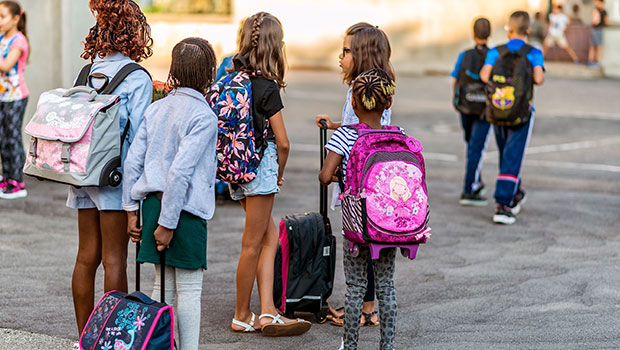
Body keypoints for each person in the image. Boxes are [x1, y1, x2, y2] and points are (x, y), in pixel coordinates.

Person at [122, 37, 218, 350]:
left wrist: (130, 210)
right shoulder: (204, 116)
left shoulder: (157, 108)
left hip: (149, 206)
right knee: (189, 289)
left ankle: (158, 345)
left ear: (175, 70)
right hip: (183, 213)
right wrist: (169, 222)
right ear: (208, 74)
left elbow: (133, 161)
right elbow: (180, 172)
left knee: (160, 285)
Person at [68, 0, 153, 345]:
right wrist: (137, 199)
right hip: (115, 180)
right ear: (134, 33)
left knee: (86, 257)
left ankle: (85, 339)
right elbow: (138, 144)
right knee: (115, 258)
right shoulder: (137, 78)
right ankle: (112, 340)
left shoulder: (88, 71)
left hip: (83, 174)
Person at [227, 11, 311, 336]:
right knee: (253, 243)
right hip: (260, 169)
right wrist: (278, 175)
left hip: (236, 166)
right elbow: (284, 142)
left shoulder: (233, 79)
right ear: (276, 47)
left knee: (268, 237)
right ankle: (241, 314)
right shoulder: (267, 87)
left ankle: (268, 312)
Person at [315, 22, 395, 328]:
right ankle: (367, 305)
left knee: (361, 245)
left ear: (361, 53)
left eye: (346, 51)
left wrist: (336, 165)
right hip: (371, 181)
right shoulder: (378, 86)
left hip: (360, 183)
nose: (341, 56)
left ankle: (365, 309)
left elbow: (361, 133)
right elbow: (365, 125)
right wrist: (336, 124)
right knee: (368, 244)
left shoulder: (361, 87)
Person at [480, 10, 545, 225]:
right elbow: (539, 78)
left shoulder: (496, 51)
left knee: (506, 153)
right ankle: (503, 204)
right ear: (528, 30)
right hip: (521, 112)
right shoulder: (533, 52)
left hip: (497, 110)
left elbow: (484, 76)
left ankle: (514, 192)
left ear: (508, 30)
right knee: (513, 155)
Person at [451, 17, 492, 206]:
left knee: (472, 145)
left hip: (466, 107)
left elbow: (455, 80)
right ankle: (469, 189)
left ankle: (476, 181)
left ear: (473, 33)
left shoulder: (464, 55)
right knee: (477, 147)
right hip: (484, 109)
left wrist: (458, 101)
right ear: (489, 34)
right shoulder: (493, 56)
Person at [0, 1, 29, 199]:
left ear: (16, 19)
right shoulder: (2, 37)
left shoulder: (19, 41)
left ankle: (17, 182)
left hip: (16, 97)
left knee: (12, 137)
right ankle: (7, 177)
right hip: (3, 95)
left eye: (2, 17)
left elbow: (6, 65)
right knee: (2, 138)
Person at [588, 0, 607, 68]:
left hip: (598, 29)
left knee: (598, 46)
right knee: (593, 46)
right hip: (596, 29)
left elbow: (605, 21)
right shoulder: (596, 10)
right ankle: (591, 61)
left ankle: (596, 62)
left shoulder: (602, 11)